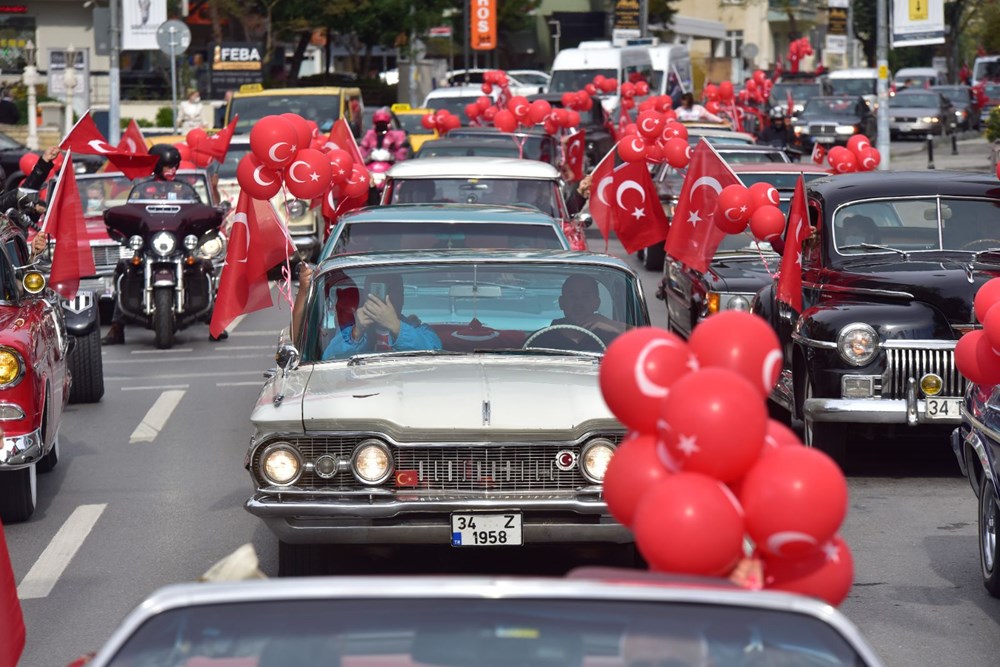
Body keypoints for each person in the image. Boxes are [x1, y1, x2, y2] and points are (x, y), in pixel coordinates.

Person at [103, 144, 228, 344]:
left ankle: (215, 323)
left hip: (178, 246)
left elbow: (199, 208)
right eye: (168, 166)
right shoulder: (143, 189)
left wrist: (212, 212)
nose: (172, 170)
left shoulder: (183, 190)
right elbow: (132, 211)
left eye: (174, 166)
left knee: (204, 267)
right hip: (150, 247)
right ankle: (117, 328)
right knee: (124, 270)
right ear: (157, 166)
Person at [322, 273, 441, 359]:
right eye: (377, 289)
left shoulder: (420, 331)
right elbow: (328, 358)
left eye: (391, 290)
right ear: (366, 295)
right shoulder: (350, 333)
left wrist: (396, 326)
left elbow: (436, 354)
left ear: (402, 297)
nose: (384, 296)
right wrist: (356, 333)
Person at [547, 274, 626, 347]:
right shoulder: (542, 339)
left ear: (597, 303)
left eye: (586, 297)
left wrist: (611, 324)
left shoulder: (612, 337)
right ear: (562, 302)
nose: (578, 302)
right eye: (572, 296)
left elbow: (638, 338)